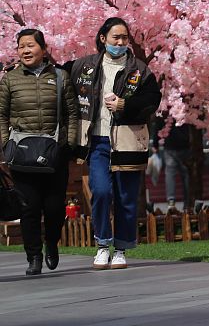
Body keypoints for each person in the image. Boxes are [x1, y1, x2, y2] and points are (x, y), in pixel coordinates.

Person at [70, 17, 162, 270]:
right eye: (115, 38)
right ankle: (102, 245)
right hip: (96, 141)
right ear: (103, 38)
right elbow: (58, 76)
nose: (120, 42)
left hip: (127, 141)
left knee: (126, 197)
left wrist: (126, 105)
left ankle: (120, 248)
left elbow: (153, 99)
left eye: (124, 38)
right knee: (100, 191)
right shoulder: (84, 66)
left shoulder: (139, 69)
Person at [0, 29, 80, 275]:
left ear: (43, 50)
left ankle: (51, 243)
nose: (25, 50)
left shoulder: (60, 77)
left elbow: (73, 113)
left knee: (55, 207)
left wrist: (69, 144)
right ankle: (33, 256)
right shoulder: (9, 80)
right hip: (22, 154)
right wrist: (6, 144)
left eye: (30, 46)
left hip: (54, 153)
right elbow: (2, 115)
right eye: (21, 46)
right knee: (29, 208)